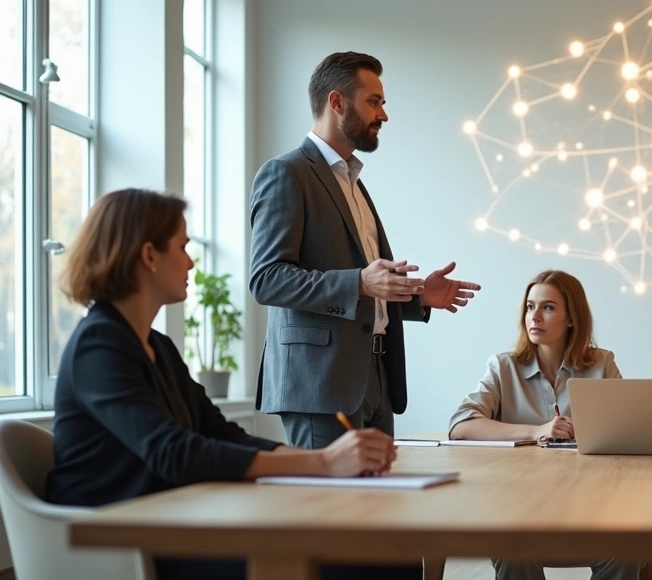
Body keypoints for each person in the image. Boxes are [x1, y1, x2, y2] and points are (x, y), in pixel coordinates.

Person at [45, 188, 416, 580]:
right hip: (119, 544)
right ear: (149, 255)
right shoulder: (98, 344)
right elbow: (176, 453)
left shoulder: (159, 347)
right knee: (352, 562)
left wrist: (335, 461)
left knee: (388, 553)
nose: (191, 262)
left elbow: (221, 434)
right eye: (183, 247)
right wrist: (323, 462)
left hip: (168, 524)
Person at [249, 51, 480, 449]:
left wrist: (416, 294)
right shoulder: (286, 174)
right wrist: (359, 281)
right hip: (320, 385)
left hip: (375, 377)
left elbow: (368, 287)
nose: (383, 115)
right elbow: (266, 279)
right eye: (374, 102)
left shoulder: (353, 182)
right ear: (336, 102)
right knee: (331, 510)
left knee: (375, 509)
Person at [449, 270, 640, 580]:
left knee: (626, 552)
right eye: (529, 306)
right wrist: (535, 431)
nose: (534, 316)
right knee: (514, 552)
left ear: (571, 318)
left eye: (548, 307)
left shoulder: (602, 363)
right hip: (517, 510)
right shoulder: (503, 366)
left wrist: (592, 429)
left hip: (591, 509)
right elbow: (461, 425)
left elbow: (630, 428)